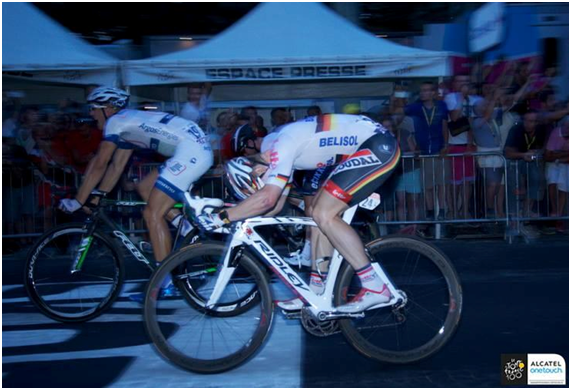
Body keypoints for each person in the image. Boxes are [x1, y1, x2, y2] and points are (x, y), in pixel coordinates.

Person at [195, 114, 401, 313]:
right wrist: (239, 217)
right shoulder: (280, 148)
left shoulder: (280, 146)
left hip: (377, 146)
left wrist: (221, 217)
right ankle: (317, 289)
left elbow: (266, 199)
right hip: (367, 145)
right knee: (315, 214)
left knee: (324, 213)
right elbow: (274, 206)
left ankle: (374, 286)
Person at [58, 87, 214, 281]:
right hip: (192, 150)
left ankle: (162, 282)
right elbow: (116, 165)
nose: (91, 113)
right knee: (144, 187)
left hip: (190, 152)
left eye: (93, 108)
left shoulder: (115, 121)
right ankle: (184, 226)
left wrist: (79, 201)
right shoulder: (128, 123)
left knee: (151, 213)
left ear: (108, 108)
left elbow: (100, 162)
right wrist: (99, 194)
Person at [405, 81, 450, 221]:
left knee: (442, 183)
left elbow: (444, 126)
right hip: (424, 151)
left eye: (426, 90)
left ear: (433, 93)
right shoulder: (415, 107)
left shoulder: (441, 106)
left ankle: (442, 209)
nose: (423, 93)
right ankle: (430, 210)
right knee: (428, 185)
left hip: (438, 149)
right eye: (422, 91)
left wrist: (445, 146)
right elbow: (399, 112)